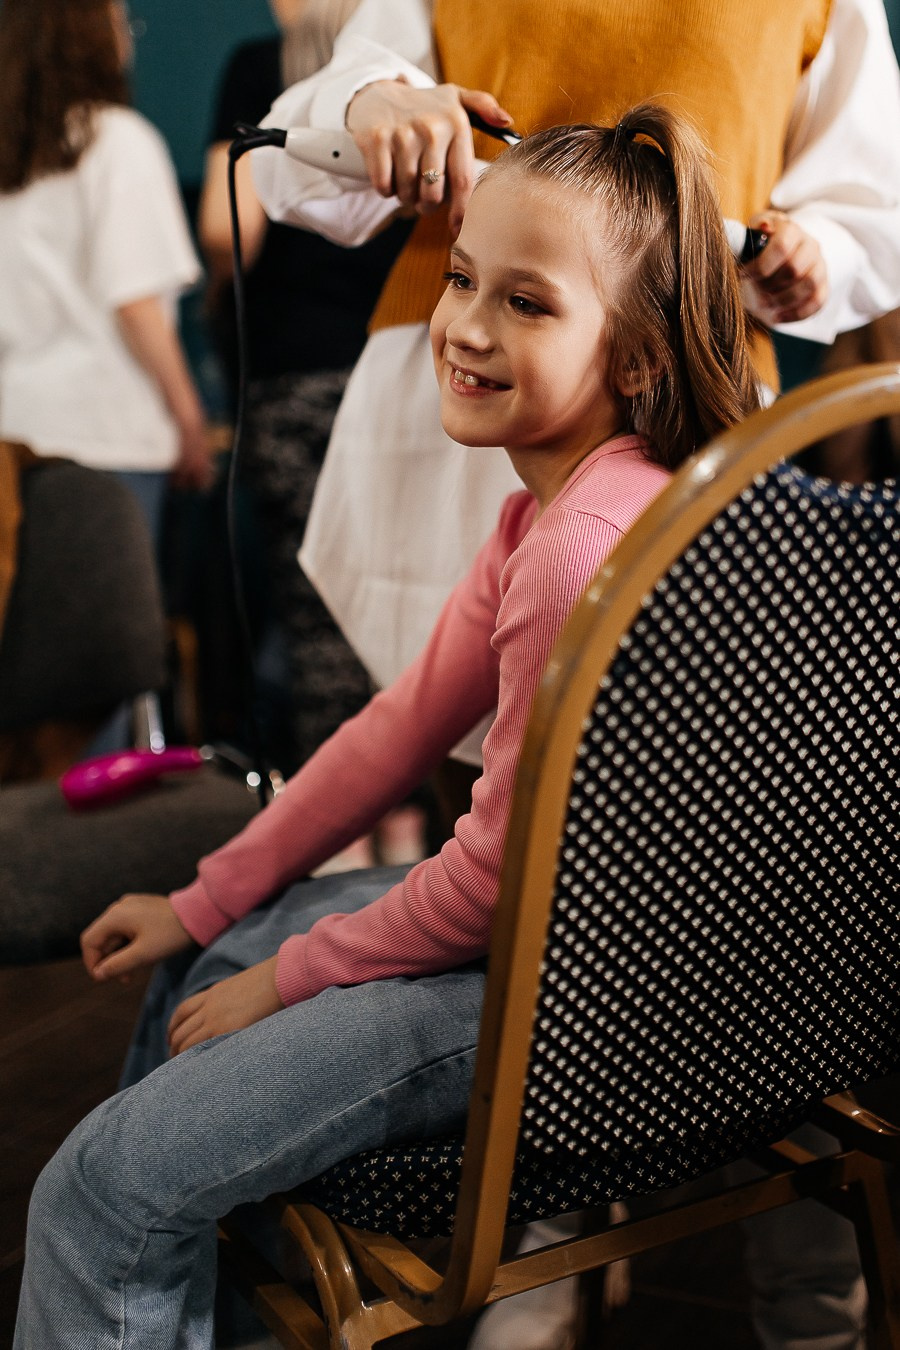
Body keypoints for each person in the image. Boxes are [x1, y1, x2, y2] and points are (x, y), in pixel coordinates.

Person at [15, 105, 761, 1348]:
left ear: (633, 357)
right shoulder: (577, 506)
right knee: (209, 964)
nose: (464, 325)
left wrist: (284, 977)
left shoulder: (577, 544)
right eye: (463, 274)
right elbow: (400, 726)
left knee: (97, 1192)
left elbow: (486, 889)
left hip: (560, 1003)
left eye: (528, 303)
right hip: (587, 957)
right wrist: (208, 904)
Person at [250, 0, 900, 770]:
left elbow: (876, 212)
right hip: (457, 421)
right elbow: (287, 162)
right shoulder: (476, 358)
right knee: (454, 757)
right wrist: (368, 97)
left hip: (687, 412)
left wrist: (816, 247)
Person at [0, 0, 212, 550]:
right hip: (106, 438)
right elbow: (136, 305)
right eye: (121, 21)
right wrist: (191, 421)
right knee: (109, 629)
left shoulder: (11, 155)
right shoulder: (118, 141)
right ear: (88, 34)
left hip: (14, 430)